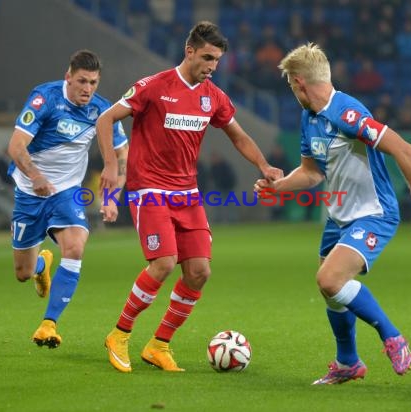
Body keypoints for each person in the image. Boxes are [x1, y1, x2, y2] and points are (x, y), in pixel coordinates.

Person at [96, 21, 283, 373]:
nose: (212, 67)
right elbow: (106, 119)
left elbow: (238, 135)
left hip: (187, 194)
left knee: (198, 272)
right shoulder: (153, 87)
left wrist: (264, 165)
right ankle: (119, 334)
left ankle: (159, 345)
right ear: (190, 51)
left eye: (217, 61)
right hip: (149, 189)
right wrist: (110, 166)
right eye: (208, 58)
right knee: (164, 263)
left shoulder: (212, 96)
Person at [255, 43, 411, 384]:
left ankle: (392, 336)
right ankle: (348, 363)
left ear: (299, 82)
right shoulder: (309, 117)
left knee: (329, 280)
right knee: (331, 288)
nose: (291, 91)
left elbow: (404, 149)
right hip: (339, 217)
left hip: (374, 213)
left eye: (290, 85)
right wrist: (277, 187)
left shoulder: (348, 113)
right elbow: (312, 172)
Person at [7, 50, 129, 348]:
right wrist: (35, 177)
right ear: (68, 77)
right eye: (82, 81)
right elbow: (16, 146)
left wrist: (112, 198)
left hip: (67, 192)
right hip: (29, 191)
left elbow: (123, 158)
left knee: (75, 247)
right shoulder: (45, 98)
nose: (87, 89)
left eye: (93, 82)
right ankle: (39, 267)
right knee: (22, 273)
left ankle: (49, 324)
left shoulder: (103, 111)